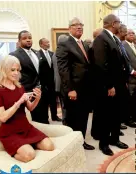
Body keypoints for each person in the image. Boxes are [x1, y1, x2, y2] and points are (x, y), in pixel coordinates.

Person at [0, 55, 54, 162]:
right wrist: (19, 102)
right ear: (3, 69)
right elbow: (3, 117)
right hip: (10, 132)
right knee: (29, 155)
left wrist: (37, 98)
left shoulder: (20, 87)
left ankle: (25, 145)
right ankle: (17, 150)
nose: (16, 73)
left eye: (18, 70)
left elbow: (30, 108)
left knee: (50, 146)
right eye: (12, 70)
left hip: (25, 127)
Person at [92, 14, 129, 156]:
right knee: (106, 116)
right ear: (113, 23)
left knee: (116, 114)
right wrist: (109, 86)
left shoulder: (113, 38)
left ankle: (115, 139)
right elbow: (101, 65)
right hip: (108, 85)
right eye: (119, 22)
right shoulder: (101, 38)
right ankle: (104, 143)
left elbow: (118, 62)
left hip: (117, 83)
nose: (120, 24)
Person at [56, 17, 95, 150]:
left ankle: (81, 141)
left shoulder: (83, 44)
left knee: (83, 117)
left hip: (86, 88)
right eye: (75, 25)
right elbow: (63, 69)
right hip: (74, 89)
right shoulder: (65, 43)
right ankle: (72, 144)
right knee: (73, 118)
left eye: (81, 24)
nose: (79, 27)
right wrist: (70, 89)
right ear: (69, 28)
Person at [10, 31, 48, 124]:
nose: (28, 40)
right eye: (24, 38)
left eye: (30, 38)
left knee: (44, 119)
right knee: (33, 121)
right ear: (19, 41)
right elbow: (14, 76)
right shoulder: (14, 55)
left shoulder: (37, 53)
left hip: (41, 92)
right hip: (27, 93)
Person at [38, 38, 62, 122]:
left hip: (52, 81)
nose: (48, 44)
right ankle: (45, 118)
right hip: (43, 82)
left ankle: (54, 116)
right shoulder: (38, 54)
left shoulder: (52, 54)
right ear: (41, 44)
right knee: (44, 101)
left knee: (53, 100)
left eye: (48, 42)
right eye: (46, 42)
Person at [52, 35, 68, 124]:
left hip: (58, 83)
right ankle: (66, 120)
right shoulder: (61, 52)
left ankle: (65, 119)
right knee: (65, 104)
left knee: (63, 104)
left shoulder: (55, 52)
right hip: (63, 83)